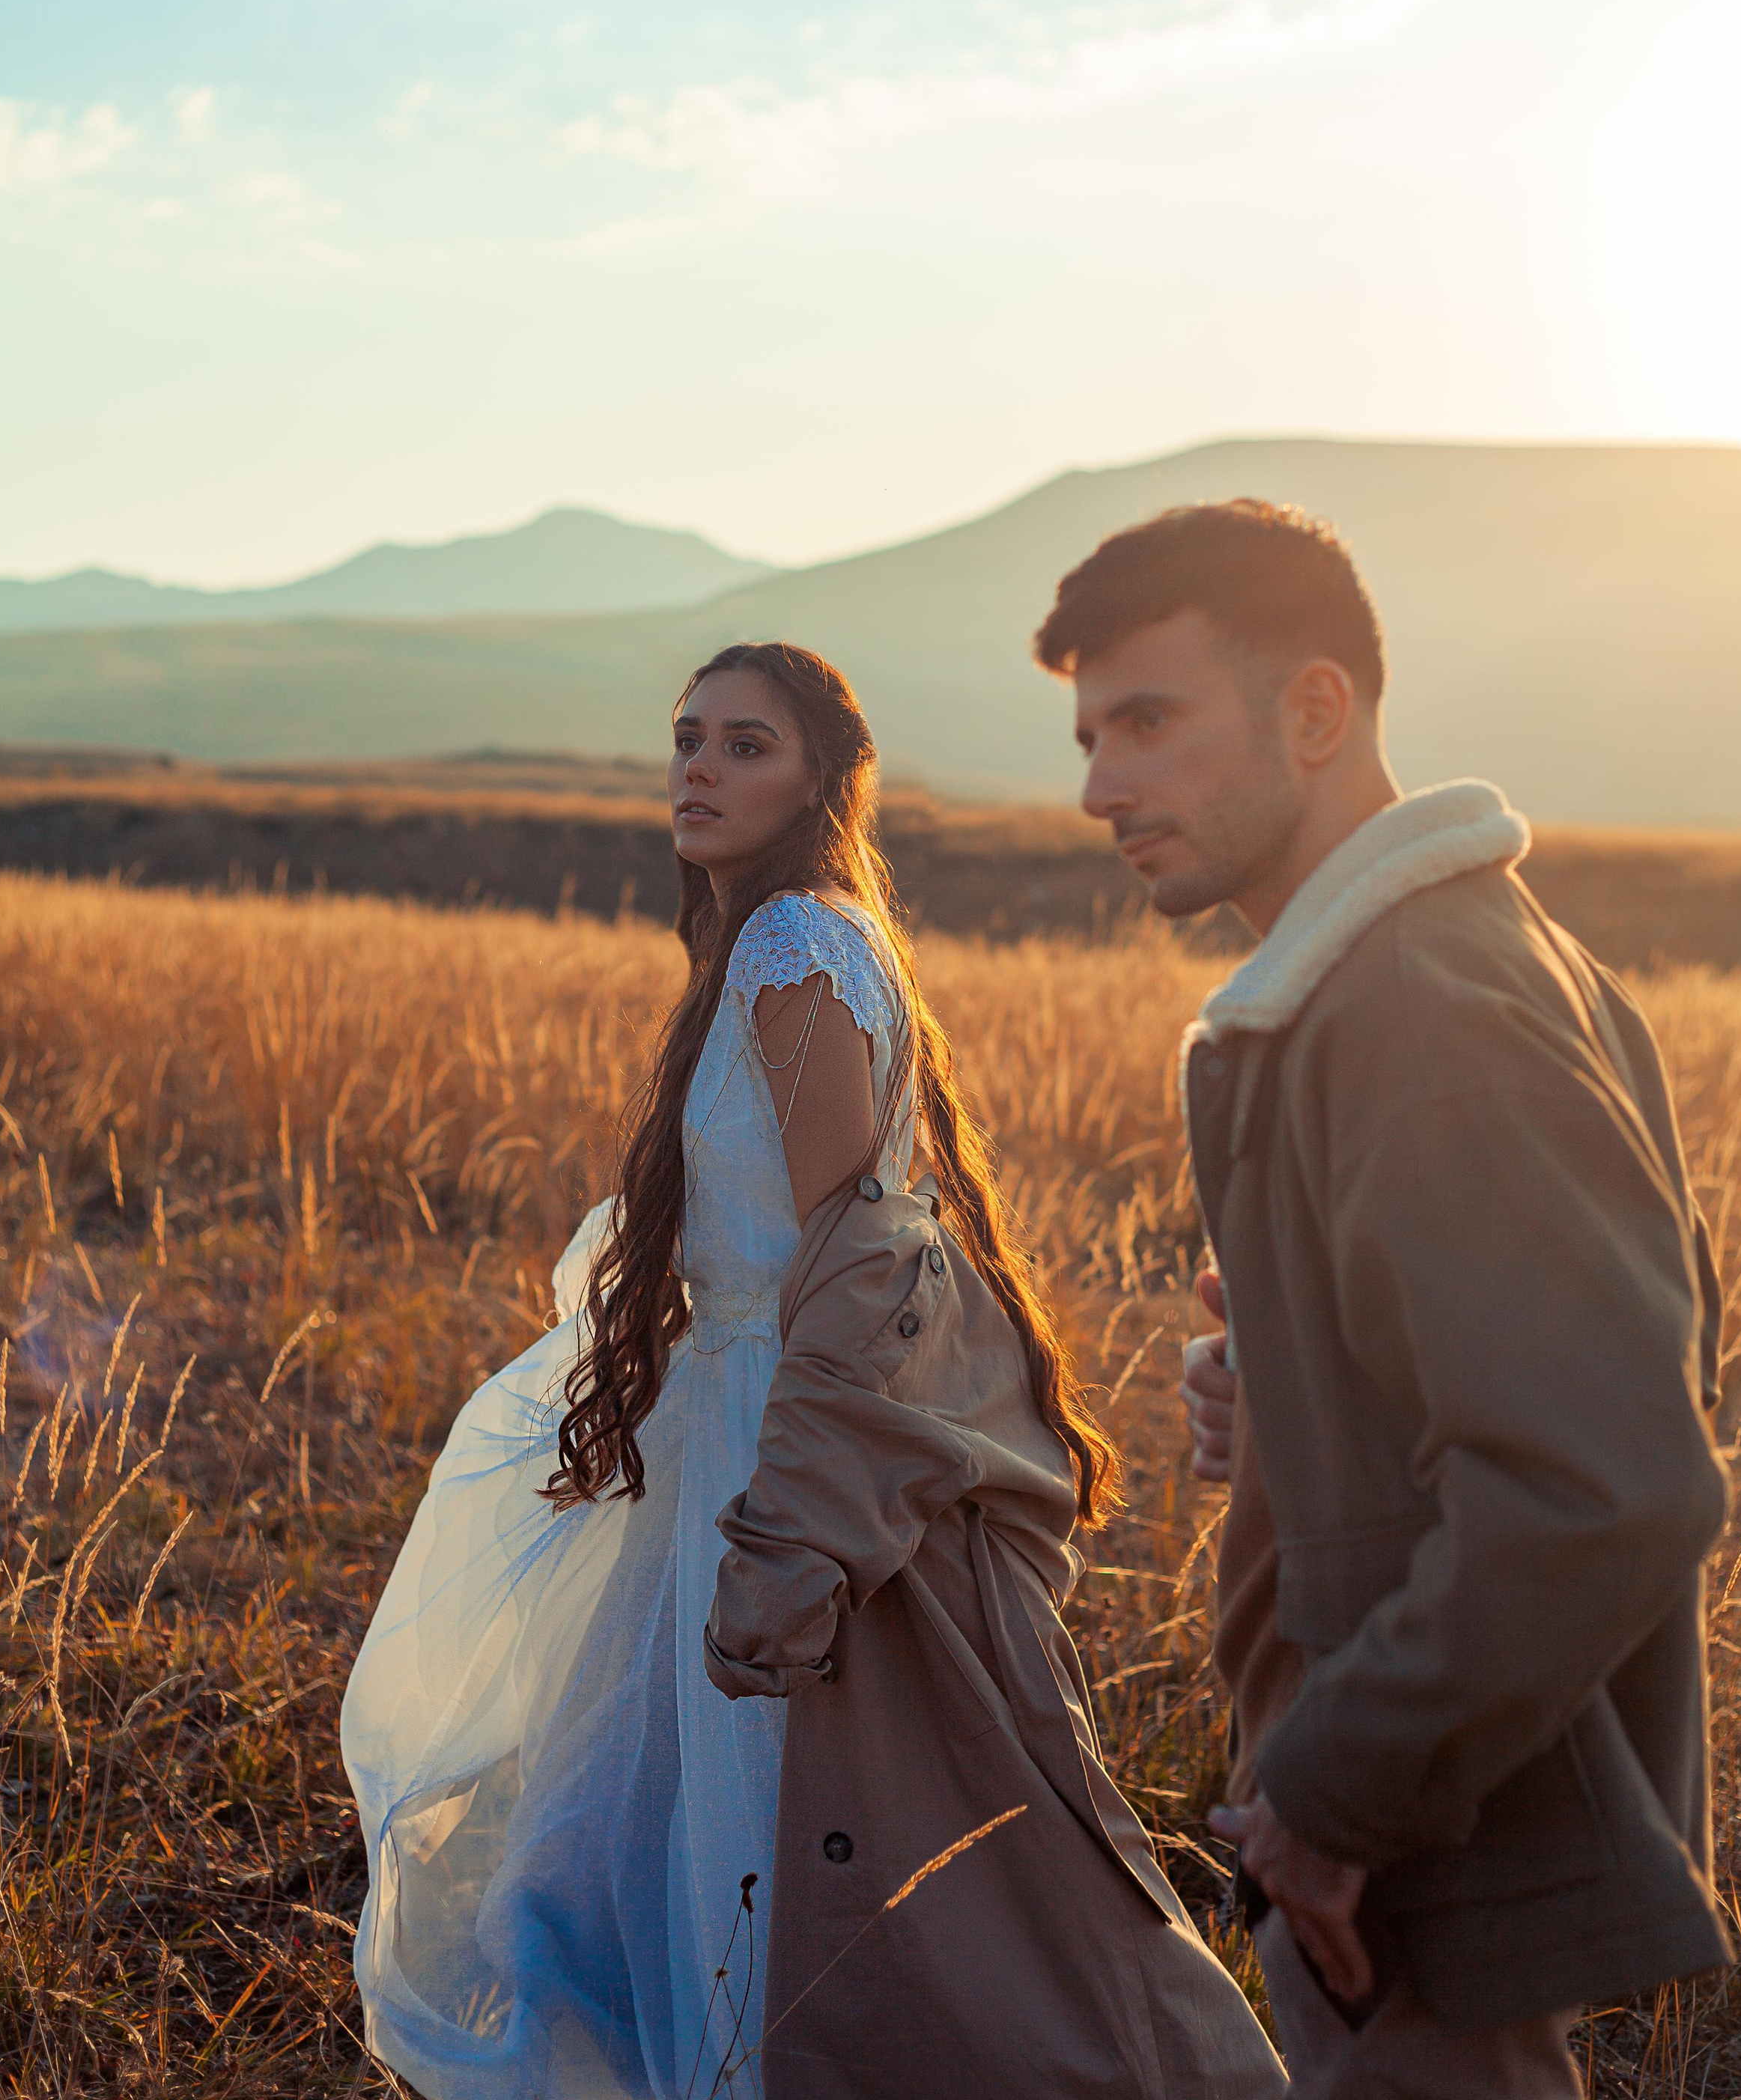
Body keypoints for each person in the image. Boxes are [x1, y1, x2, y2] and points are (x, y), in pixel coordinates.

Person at [342, 639, 1281, 2100]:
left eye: (743, 745)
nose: (698, 769)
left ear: (821, 781)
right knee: (637, 1827)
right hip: (726, 1412)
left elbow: (859, 1253)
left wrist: (793, 1526)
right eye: (687, 738)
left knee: (793, 1824)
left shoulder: (793, 948)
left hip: (783, 1433)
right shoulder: (766, 942)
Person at [1033, 502, 1735, 2099]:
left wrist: (1332, 1795)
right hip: (1402, 1810)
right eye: (1086, 737)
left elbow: (1600, 1480)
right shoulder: (1372, 986)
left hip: (1433, 1830)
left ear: (1313, 710)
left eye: (1146, 721)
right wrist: (1286, 1389)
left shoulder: (1425, 1009)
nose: (1096, 789)